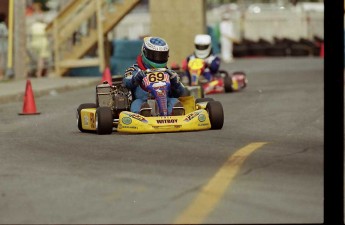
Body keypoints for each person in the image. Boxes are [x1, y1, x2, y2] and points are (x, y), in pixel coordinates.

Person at [123, 36, 186, 116]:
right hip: (143, 101)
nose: (158, 58)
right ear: (144, 52)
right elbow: (126, 82)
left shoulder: (169, 72)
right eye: (154, 55)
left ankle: (174, 113)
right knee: (137, 103)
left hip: (165, 101)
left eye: (161, 56)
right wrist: (136, 78)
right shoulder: (135, 69)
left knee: (174, 101)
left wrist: (175, 82)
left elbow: (182, 93)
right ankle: (143, 114)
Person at [0, 13, 8, 80]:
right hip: (2, 46)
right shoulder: (2, 26)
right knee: (2, 61)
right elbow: (6, 34)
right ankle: (1, 75)